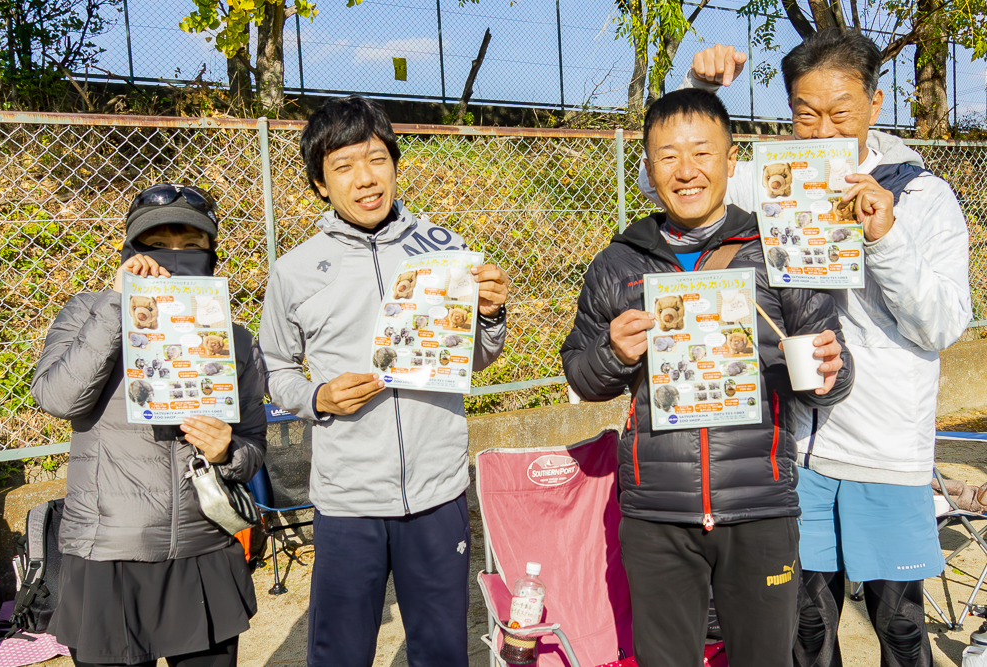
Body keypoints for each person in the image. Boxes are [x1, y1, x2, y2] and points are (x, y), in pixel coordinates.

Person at [654, 31, 973, 667]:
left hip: (886, 453)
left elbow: (942, 325)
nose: (823, 130)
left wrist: (885, 238)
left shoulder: (923, 197)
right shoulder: (772, 180)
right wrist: (697, 91)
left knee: (900, 627)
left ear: (875, 103)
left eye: (840, 113)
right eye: (806, 114)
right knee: (806, 625)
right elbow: (675, 182)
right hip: (798, 451)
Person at [560, 88, 854, 667]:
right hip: (656, 514)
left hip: (760, 505)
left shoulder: (779, 246)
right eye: (668, 156)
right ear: (649, 169)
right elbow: (581, 375)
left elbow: (835, 377)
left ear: (731, 158)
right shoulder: (619, 263)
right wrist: (613, 353)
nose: (686, 171)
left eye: (702, 153)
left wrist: (828, 368)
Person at [257, 95, 509, 667]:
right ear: (321, 184)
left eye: (376, 159)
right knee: (340, 654)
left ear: (395, 164)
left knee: (442, 653)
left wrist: (491, 315)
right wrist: (317, 396)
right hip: (348, 499)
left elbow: (476, 359)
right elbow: (275, 369)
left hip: (437, 491)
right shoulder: (294, 271)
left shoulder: (444, 250)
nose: (366, 179)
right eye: (344, 166)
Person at [31, 184, 266, 667]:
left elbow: (254, 447)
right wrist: (117, 306)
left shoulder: (233, 338)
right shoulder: (88, 311)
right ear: (129, 251)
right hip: (108, 551)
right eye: (156, 244)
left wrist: (228, 452)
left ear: (212, 255)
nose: (173, 256)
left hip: (203, 547)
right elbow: (58, 399)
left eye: (191, 245)